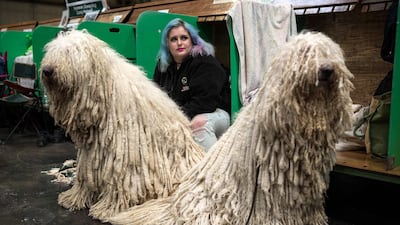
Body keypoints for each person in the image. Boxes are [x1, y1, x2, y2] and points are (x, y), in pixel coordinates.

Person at [153, 18, 231, 151]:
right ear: (167, 43)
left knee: (199, 123)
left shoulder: (205, 62)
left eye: (184, 38)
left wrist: (175, 118)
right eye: (173, 39)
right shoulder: (163, 66)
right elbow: (156, 96)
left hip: (216, 113)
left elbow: (205, 103)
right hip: (181, 114)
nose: (179, 43)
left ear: (192, 40)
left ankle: (212, 170)